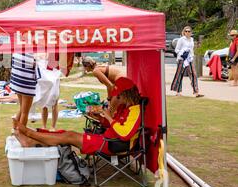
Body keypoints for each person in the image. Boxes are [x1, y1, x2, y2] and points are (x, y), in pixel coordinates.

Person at [14, 77, 142, 156]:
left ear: (126, 94)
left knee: (69, 136)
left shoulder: (135, 111)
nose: (117, 99)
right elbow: (113, 125)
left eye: (118, 96)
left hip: (111, 145)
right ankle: (32, 141)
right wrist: (100, 119)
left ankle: (29, 134)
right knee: (66, 134)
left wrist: (109, 117)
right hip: (106, 139)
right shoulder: (125, 108)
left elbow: (125, 133)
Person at [170, 26, 204, 97]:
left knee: (193, 75)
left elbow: (191, 50)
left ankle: (196, 92)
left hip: (189, 60)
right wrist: (182, 53)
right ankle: (178, 92)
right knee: (180, 74)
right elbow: (176, 50)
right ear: (184, 32)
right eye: (186, 31)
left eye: (189, 31)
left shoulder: (191, 39)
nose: (187, 33)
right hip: (182, 59)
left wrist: (191, 56)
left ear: (191, 32)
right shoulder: (181, 40)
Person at [10, 52, 37, 127]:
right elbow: (36, 63)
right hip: (26, 81)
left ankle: (15, 131)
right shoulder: (33, 49)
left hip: (17, 79)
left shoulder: (17, 47)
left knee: (22, 109)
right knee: (25, 112)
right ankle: (20, 134)